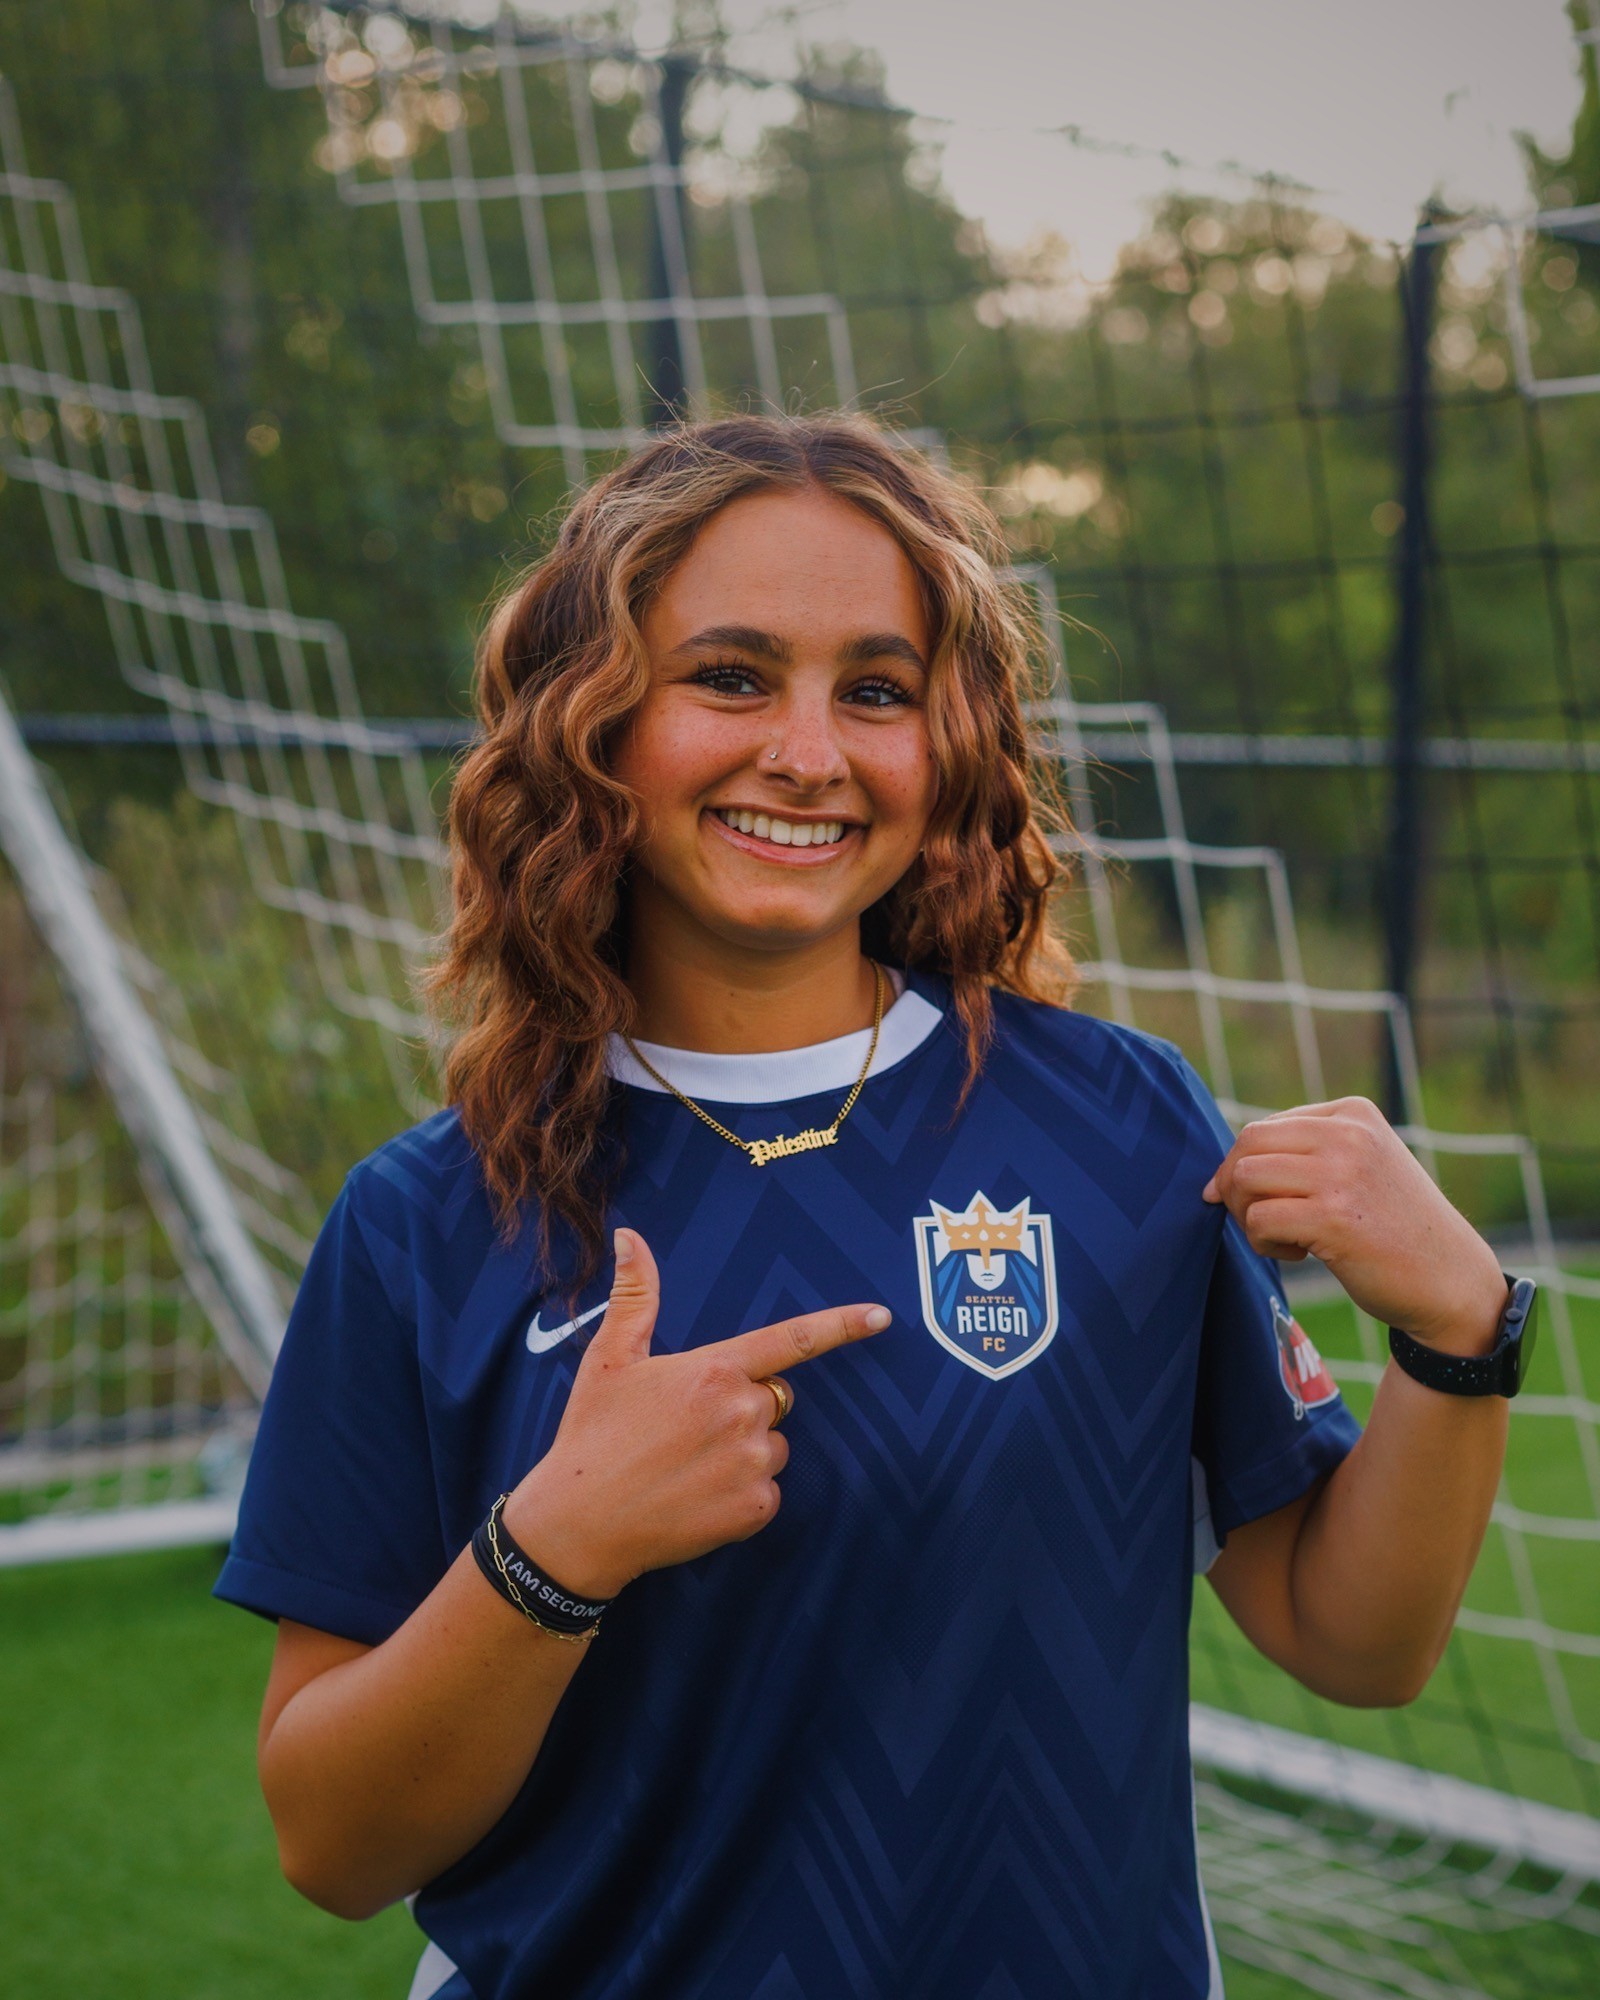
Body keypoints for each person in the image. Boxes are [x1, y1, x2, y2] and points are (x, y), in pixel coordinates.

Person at [213, 412, 1527, 2000]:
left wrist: (1461, 1333)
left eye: (879, 690)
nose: (810, 752)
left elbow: (1355, 1642)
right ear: (592, 720)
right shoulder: (429, 1218)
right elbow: (335, 1846)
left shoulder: (1118, 1124)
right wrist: (556, 1547)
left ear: (949, 741)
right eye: (731, 676)